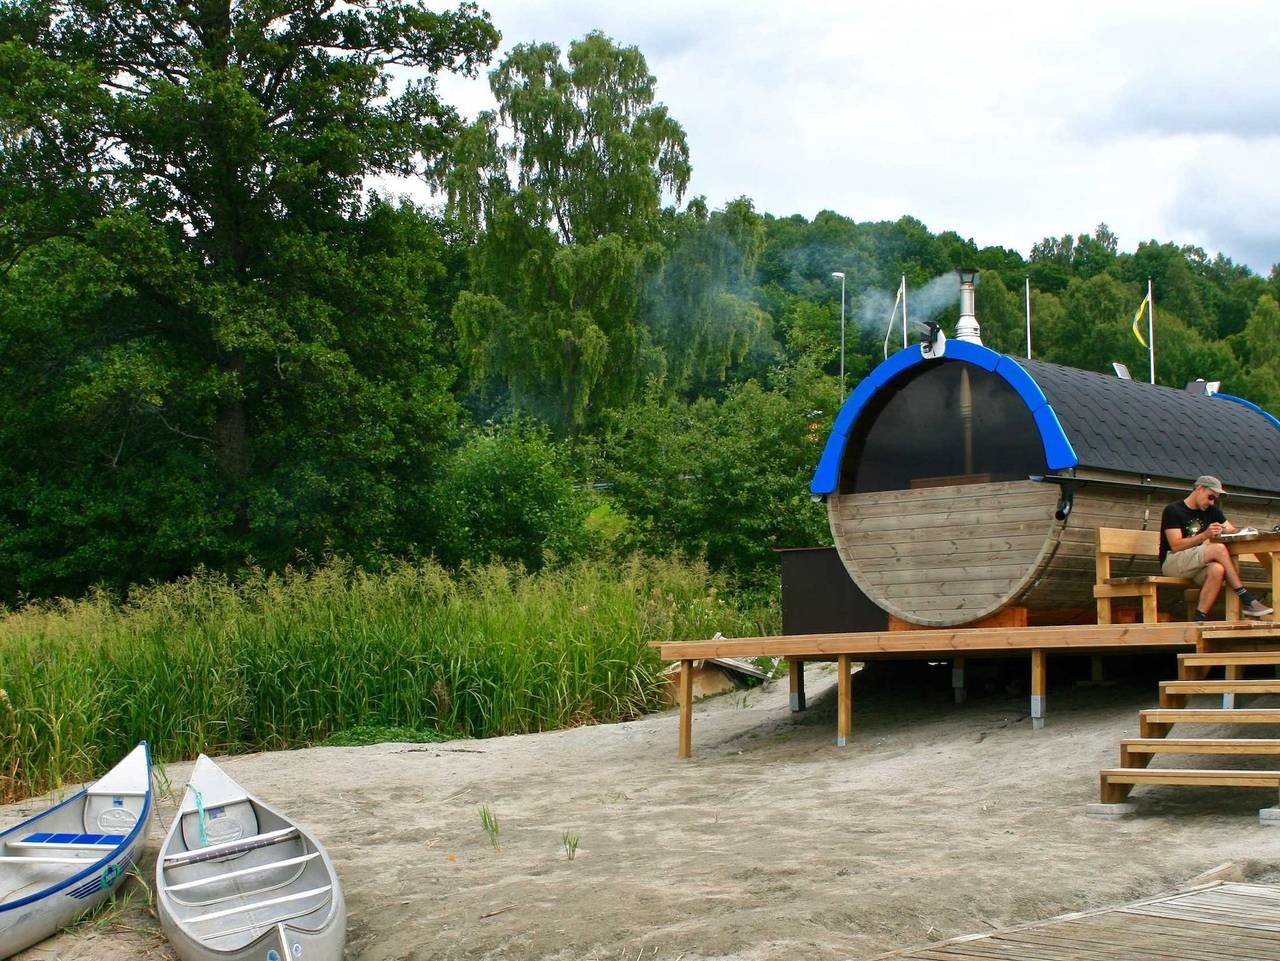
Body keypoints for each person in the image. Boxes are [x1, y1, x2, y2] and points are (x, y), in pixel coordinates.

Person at [1160, 475, 1273, 620]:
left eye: (1215, 499)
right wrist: (1205, 535)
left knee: (1217, 569)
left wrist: (1246, 530)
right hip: (1172, 562)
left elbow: (1231, 530)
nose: (1212, 502)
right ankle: (1246, 598)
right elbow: (1175, 546)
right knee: (1218, 549)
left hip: (1195, 563)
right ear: (1199, 489)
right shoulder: (1173, 510)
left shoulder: (1212, 511)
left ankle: (1199, 619)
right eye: (1210, 497)